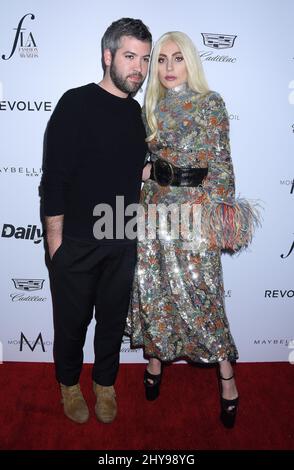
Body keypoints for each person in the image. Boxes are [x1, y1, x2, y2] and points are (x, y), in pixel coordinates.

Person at [126, 31, 260, 428]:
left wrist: (216, 213)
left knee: (204, 296)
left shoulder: (210, 103)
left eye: (177, 58)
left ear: (191, 63)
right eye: (162, 60)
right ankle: (155, 360)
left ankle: (227, 377)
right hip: (154, 212)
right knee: (154, 288)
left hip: (194, 213)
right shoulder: (149, 106)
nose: (168, 68)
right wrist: (144, 171)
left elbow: (221, 163)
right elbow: (141, 158)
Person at [42, 18, 152, 424]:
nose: (138, 67)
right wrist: (56, 245)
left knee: (111, 323)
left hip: (122, 237)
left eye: (144, 58)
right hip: (77, 241)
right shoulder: (76, 103)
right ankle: (68, 384)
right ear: (107, 57)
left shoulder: (136, 113)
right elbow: (54, 179)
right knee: (71, 325)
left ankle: (104, 383)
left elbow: (126, 168)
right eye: (129, 56)